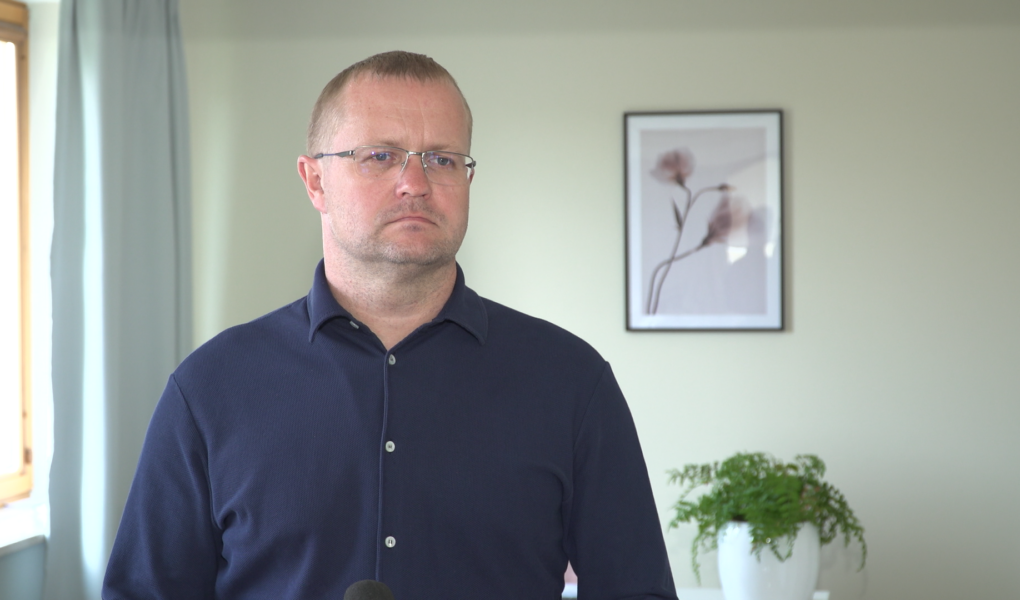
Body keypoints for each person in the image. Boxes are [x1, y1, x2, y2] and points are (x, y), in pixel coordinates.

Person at [103, 51, 677, 600]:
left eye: (442, 159)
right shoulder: (210, 388)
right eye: (380, 156)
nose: (415, 183)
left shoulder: (570, 381)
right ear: (315, 181)